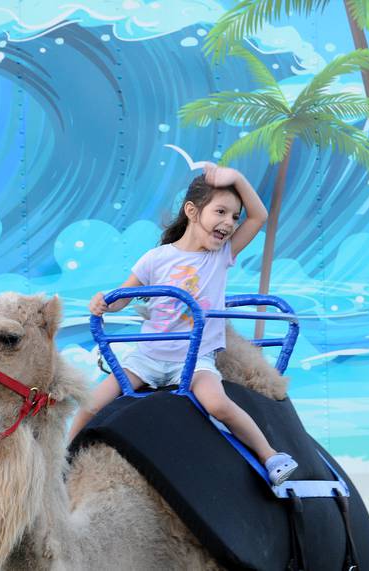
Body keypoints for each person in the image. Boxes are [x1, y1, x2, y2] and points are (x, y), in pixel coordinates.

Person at [69, 164, 298, 486]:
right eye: (220, 211)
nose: (229, 223)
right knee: (93, 403)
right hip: (147, 358)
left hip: (195, 360)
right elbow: (126, 295)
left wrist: (237, 178)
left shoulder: (221, 256)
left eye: (234, 216)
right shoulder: (157, 258)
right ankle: (64, 459)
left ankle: (269, 455)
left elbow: (258, 217)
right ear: (192, 211)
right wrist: (104, 301)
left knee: (218, 404)